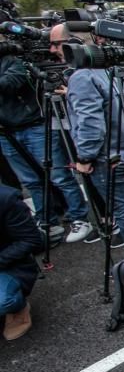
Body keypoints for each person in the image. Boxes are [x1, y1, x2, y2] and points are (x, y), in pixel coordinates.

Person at [53, 24, 124, 253]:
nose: (53, 51)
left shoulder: (82, 77)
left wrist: (84, 158)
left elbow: (91, 125)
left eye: (57, 44)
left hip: (108, 157)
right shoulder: (112, 69)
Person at [0, 34, 91, 243]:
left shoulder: (14, 60)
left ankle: (79, 217)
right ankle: (48, 222)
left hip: (34, 126)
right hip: (6, 132)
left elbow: (10, 83)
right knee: (31, 181)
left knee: (58, 175)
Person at [0, 182, 43, 340]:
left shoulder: (5, 199)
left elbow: (31, 240)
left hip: (8, 265)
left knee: (3, 301)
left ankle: (18, 309)